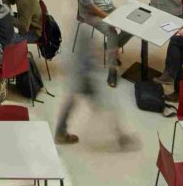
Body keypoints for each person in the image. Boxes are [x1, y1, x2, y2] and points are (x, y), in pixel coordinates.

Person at [55, 12, 133, 148]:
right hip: (83, 74)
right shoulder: (87, 28)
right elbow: (96, 50)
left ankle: (60, 133)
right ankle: (121, 137)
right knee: (109, 101)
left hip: (79, 72)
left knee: (74, 100)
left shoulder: (80, 23)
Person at [73, 0, 131, 85]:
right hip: (91, 14)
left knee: (130, 25)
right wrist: (111, 18)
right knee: (112, 32)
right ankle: (112, 70)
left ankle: (111, 47)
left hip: (109, 8)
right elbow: (92, 8)